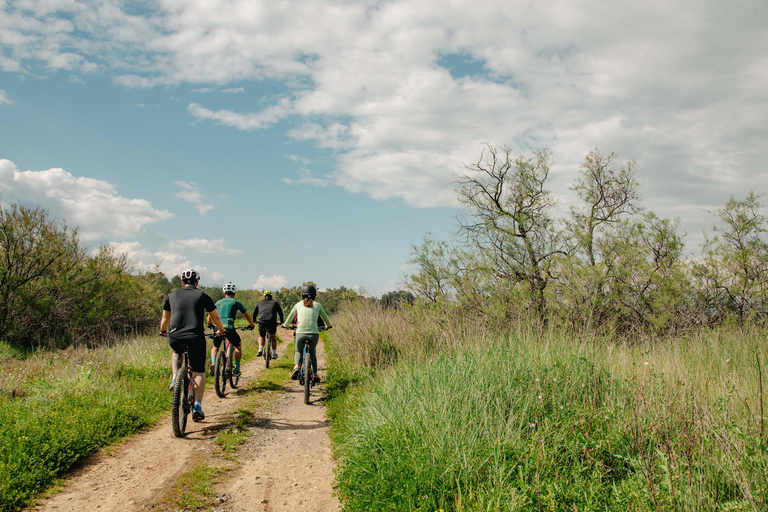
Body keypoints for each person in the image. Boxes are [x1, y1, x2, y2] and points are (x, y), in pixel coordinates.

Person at [160, 269, 225, 422]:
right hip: (195, 336)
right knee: (198, 371)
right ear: (197, 283)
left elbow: (165, 317)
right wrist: (221, 330)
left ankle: (175, 375)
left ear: (182, 282)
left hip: (175, 335)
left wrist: (163, 331)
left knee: (177, 350)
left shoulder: (172, 295)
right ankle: (197, 405)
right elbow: (214, 316)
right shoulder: (202, 295)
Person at [283, 284, 332, 384]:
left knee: (298, 350)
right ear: (314, 295)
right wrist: (328, 326)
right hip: (314, 334)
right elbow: (325, 318)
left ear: (302, 294)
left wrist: (286, 325)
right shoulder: (318, 305)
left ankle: (296, 366)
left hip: (300, 333)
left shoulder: (298, 304)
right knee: (313, 352)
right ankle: (315, 374)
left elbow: (290, 316)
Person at [208, 282, 255, 377]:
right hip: (229, 328)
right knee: (238, 346)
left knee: (215, 347)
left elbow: (210, 315)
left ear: (224, 293)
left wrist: (209, 324)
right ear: (234, 293)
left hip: (218, 328)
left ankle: (213, 363)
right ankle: (236, 369)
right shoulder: (236, 302)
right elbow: (247, 315)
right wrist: (251, 324)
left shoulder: (218, 302)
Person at [252, 289, 285, 360]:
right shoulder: (275, 302)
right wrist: (281, 321)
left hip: (262, 321)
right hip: (272, 321)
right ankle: (274, 353)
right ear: (271, 297)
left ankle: (260, 349)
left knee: (261, 336)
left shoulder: (260, 302)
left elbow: (255, 312)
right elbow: (280, 312)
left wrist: (254, 320)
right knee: (273, 337)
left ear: (264, 297)